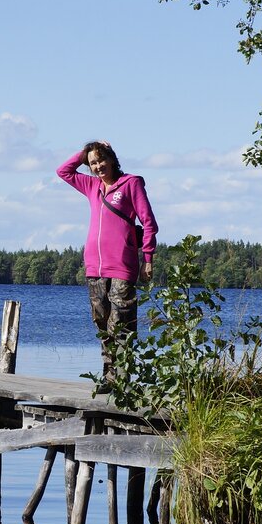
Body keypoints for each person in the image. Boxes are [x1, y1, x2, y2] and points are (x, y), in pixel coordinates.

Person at [57, 141, 158, 380]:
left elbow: (149, 223)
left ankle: (123, 378)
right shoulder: (91, 186)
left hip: (122, 265)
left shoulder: (131, 183)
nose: (98, 166)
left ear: (112, 159)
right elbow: (63, 171)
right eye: (92, 163)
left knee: (121, 323)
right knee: (102, 323)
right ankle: (109, 377)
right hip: (94, 266)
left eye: (101, 160)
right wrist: (84, 153)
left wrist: (148, 258)